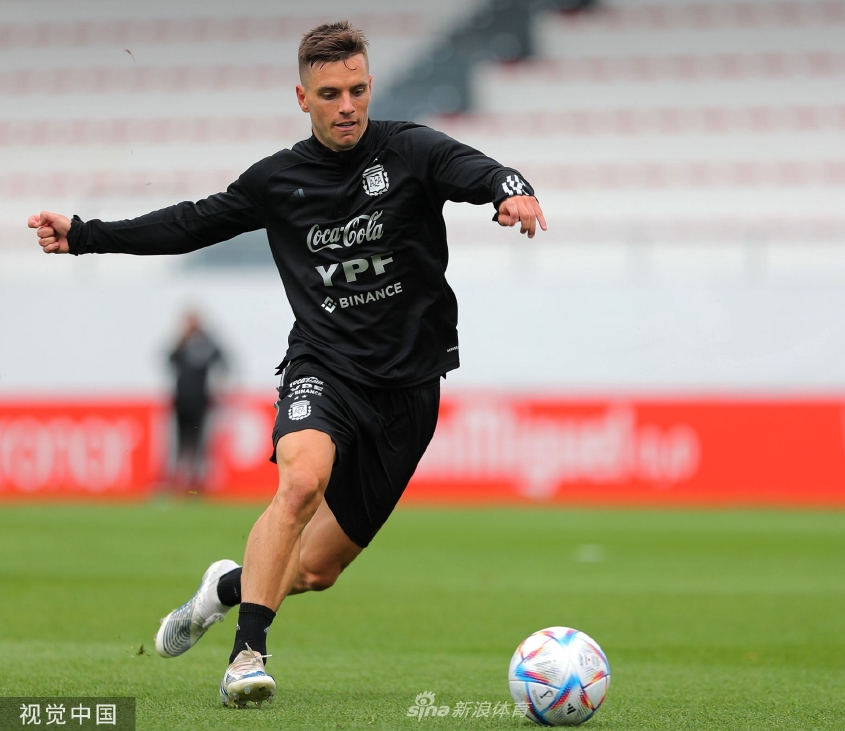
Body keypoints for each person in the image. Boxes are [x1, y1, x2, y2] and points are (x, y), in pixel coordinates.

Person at [27, 21, 546, 708]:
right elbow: (191, 223)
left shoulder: (412, 150)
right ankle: (248, 656)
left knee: (315, 571)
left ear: (369, 86)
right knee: (300, 482)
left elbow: (483, 171)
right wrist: (87, 235)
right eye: (330, 94)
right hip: (323, 366)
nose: (347, 106)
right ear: (302, 98)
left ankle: (222, 589)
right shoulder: (278, 179)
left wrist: (513, 191)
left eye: (357, 90)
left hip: (410, 390)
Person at [167, 310, 227, 493]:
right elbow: (170, 360)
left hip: (200, 402)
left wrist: (219, 390)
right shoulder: (182, 342)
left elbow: (223, 363)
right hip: (181, 401)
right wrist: (182, 338)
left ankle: (196, 483)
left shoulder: (207, 342)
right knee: (180, 443)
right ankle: (178, 483)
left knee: (200, 444)